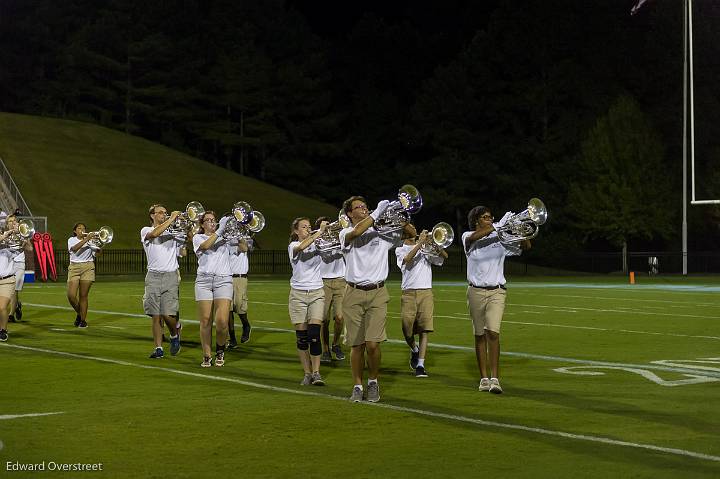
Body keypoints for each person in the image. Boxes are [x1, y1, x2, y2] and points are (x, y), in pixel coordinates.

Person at [339, 196, 410, 403]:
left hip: (378, 292)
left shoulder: (381, 234)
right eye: (358, 207)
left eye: (365, 206)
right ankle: (357, 385)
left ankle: (373, 382)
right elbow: (358, 231)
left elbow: (410, 234)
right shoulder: (345, 233)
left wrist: (400, 216)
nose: (363, 209)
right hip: (352, 292)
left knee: (372, 344)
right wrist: (377, 212)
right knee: (356, 345)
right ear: (350, 214)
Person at [463, 206, 530, 394]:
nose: (490, 220)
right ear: (477, 221)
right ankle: (483, 378)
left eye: (491, 217)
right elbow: (473, 238)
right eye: (485, 218)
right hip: (475, 291)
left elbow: (526, 247)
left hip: (497, 291)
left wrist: (518, 229)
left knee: (493, 333)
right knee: (479, 335)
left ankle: (495, 379)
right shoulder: (468, 236)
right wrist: (500, 225)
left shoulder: (500, 238)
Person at [395, 223, 447, 378]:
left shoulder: (425, 247)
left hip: (426, 291)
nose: (414, 227)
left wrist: (434, 244)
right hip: (408, 293)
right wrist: (420, 243)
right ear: (404, 232)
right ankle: (414, 350)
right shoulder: (400, 249)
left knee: (425, 329)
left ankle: (421, 365)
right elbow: (407, 259)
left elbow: (444, 257)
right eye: (410, 226)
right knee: (406, 328)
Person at [288, 217, 329, 386]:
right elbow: (301, 247)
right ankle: (307, 373)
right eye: (303, 227)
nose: (307, 229)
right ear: (296, 231)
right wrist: (319, 232)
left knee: (314, 334)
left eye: (309, 227)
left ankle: (317, 372)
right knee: (302, 338)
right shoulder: (293, 246)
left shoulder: (318, 245)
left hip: (317, 292)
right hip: (297, 294)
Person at [141, 204, 186, 359]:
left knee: (168, 314)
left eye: (166, 213)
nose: (164, 215)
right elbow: (154, 234)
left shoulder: (174, 232)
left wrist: (188, 231)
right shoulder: (145, 230)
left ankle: (174, 335)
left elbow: (185, 248)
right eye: (161, 213)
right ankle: (158, 348)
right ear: (152, 215)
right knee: (155, 315)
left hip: (170, 276)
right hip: (153, 276)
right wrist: (172, 218)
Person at [193, 211, 233, 367]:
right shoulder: (198, 238)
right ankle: (207, 355)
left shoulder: (224, 237)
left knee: (222, 322)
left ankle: (221, 349)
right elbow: (206, 245)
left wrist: (239, 234)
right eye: (208, 220)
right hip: (204, 281)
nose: (211, 222)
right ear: (202, 224)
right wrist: (220, 230)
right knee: (205, 320)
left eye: (213, 220)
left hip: (223, 280)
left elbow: (243, 248)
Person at [314, 216, 346, 363]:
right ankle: (325, 348)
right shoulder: (317, 240)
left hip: (341, 280)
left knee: (340, 317)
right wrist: (321, 232)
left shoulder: (340, 236)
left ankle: (336, 344)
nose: (329, 229)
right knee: (324, 319)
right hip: (324, 281)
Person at [67, 223, 103, 328]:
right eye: (79, 228)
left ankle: (83, 320)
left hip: (88, 266)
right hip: (74, 267)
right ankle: (80, 313)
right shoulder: (71, 240)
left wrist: (100, 246)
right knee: (71, 296)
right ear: (75, 231)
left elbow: (97, 255)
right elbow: (74, 249)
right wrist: (87, 239)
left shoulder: (91, 241)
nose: (82, 230)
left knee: (83, 296)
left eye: (84, 228)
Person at [5, 214, 33, 323]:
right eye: (10, 221)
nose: (12, 223)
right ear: (7, 224)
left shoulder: (22, 233)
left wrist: (25, 240)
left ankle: (11, 315)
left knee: (14, 289)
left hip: (19, 264)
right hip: (8, 264)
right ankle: (17, 305)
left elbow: (30, 249)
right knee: (10, 290)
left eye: (14, 221)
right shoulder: (4, 234)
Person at [227, 236, 253, 348]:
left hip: (240, 278)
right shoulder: (226, 241)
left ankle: (246, 325)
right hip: (225, 277)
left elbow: (245, 248)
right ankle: (232, 339)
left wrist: (240, 235)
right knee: (227, 310)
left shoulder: (244, 238)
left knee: (239, 305)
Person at [0, 226, 24, 341]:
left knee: (2, 307)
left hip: (7, 281)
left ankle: (3, 330)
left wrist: (24, 236)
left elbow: (28, 248)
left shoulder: (8, 249)